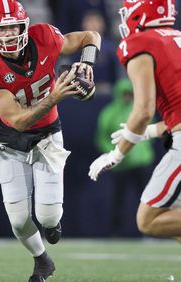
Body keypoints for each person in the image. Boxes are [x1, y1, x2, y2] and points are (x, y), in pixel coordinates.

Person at [0, 1, 101, 281]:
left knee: (48, 216)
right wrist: (56, 96)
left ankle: (52, 225)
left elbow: (91, 36)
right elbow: (18, 120)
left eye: (11, 27)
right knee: (18, 220)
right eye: (0, 29)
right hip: (11, 139)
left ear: (24, 27)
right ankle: (42, 261)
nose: (7, 35)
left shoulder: (45, 37)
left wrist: (87, 62)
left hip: (48, 135)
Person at [89, 0, 181, 242]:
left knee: (148, 220)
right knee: (173, 217)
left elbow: (142, 110)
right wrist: (148, 132)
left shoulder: (140, 42)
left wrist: (115, 155)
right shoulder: (176, 38)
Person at [94, 79, 155, 236]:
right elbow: (101, 138)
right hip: (120, 165)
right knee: (117, 201)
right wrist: (115, 154)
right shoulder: (109, 113)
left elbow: (149, 132)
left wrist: (141, 152)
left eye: (130, 94)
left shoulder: (139, 110)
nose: (127, 97)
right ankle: (115, 233)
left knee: (147, 200)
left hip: (141, 163)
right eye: (125, 94)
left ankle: (151, 232)